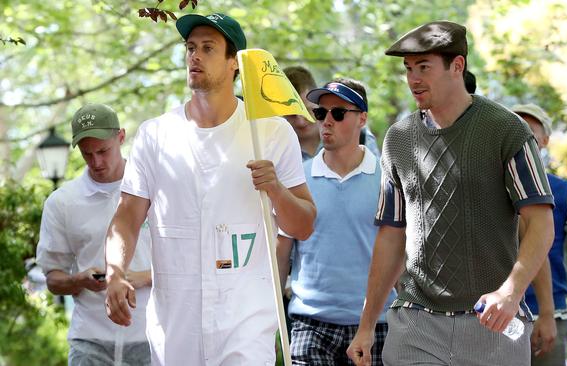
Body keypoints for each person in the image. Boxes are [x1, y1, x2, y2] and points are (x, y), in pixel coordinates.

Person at [103, 12, 316, 365]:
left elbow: (304, 225)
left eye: (207, 48)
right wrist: (115, 272)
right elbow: (126, 217)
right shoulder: (156, 134)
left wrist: (276, 189)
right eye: (190, 48)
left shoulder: (271, 133)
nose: (194, 56)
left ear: (235, 62)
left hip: (245, 321)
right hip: (175, 326)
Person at [346, 21, 555, 366]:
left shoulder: (507, 130)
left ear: (457, 66)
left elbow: (541, 223)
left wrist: (511, 292)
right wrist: (367, 324)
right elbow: (390, 235)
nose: (413, 79)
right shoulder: (397, 139)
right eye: (408, 69)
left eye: (424, 67)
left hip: (492, 322)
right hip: (415, 321)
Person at [277, 78, 397, 365]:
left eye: (338, 113)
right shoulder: (297, 179)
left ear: (363, 119)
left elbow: (399, 256)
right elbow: (282, 250)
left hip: (379, 324)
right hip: (310, 323)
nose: (326, 121)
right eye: (321, 113)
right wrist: (270, 321)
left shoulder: (390, 180)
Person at [36, 103, 152, 365]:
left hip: (151, 337)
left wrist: (138, 277)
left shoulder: (156, 189)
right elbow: (53, 279)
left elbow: (186, 263)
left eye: (103, 151)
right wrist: (80, 280)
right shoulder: (62, 202)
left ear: (121, 137)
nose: (97, 162)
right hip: (89, 341)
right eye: (87, 154)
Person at [513, 103, 567, 365]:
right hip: (498, 317)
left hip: (551, 317)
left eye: (529, 129)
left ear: (545, 140)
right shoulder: (490, 188)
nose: (520, 136)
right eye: (515, 127)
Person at [284, 66, 381, 159]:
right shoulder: (277, 146)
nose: (300, 122)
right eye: (292, 114)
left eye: (307, 111)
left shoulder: (359, 136)